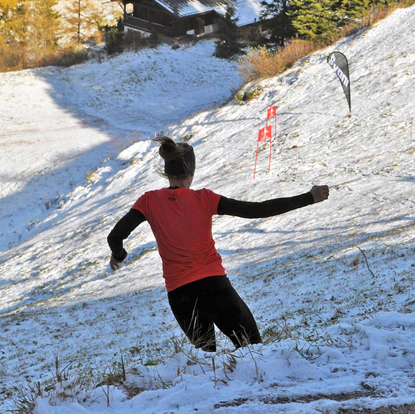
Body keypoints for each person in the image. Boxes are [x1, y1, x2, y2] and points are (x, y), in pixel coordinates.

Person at [107, 136, 329, 352]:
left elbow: (114, 237)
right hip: (214, 287)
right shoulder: (204, 198)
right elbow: (257, 209)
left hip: (180, 294)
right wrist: (309, 197)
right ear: (192, 173)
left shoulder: (148, 201)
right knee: (253, 350)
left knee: (207, 362)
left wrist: (119, 256)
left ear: (167, 173)